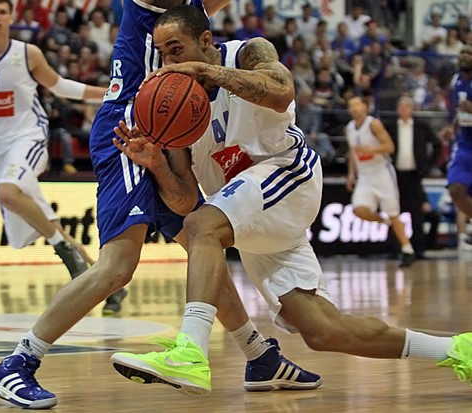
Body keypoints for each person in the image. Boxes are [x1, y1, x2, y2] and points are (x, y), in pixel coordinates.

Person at [108, 5, 472, 396]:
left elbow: (282, 93)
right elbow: (181, 202)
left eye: (176, 49)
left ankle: (190, 352)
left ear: (206, 40)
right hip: (247, 209)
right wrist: (158, 165)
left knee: (202, 225)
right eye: (162, 53)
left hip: (285, 173)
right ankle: (457, 348)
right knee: (321, 329)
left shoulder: (247, 53)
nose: (169, 61)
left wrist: (208, 73)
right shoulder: (174, 108)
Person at [0, 0, 320, 409]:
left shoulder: (190, 11)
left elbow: (190, 199)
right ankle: (18, 362)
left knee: (202, 248)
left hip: (162, 127)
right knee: (118, 265)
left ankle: (259, 356)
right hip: (130, 127)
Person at [0, 0, 125, 311]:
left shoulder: (27, 53)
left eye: (3, 11)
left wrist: (110, 93)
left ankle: (68, 257)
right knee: (44, 224)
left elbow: (60, 86)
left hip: (28, 137)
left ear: (11, 17)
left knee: (8, 192)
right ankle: (109, 287)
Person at [345, 95, 416, 267]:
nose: (354, 108)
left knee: (393, 211)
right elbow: (353, 153)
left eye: (357, 104)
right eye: (350, 106)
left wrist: (372, 149)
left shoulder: (373, 124)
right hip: (364, 175)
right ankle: (385, 222)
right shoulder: (349, 128)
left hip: (381, 172)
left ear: (365, 107)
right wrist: (351, 174)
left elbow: (390, 147)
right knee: (358, 210)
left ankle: (407, 249)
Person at [384, 96, 442, 258]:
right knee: (394, 211)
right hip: (395, 175)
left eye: (406, 107)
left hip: (415, 174)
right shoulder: (390, 126)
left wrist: (427, 165)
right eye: (400, 107)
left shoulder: (421, 125)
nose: (402, 110)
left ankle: (419, 249)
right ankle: (394, 248)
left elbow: (437, 144)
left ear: (411, 109)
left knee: (416, 213)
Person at [447, 44, 472, 251]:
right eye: (462, 52)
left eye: (469, 53)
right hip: (464, 143)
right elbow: (458, 109)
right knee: (455, 189)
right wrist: (451, 125)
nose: (464, 56)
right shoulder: (456, 80)